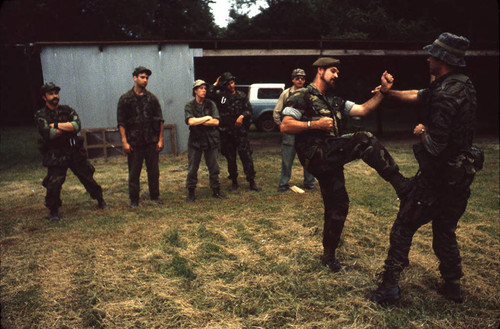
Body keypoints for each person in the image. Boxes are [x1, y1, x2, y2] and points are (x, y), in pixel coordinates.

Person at [370, 33, 483, 304]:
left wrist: (422, 132)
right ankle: (453, 285)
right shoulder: (461, 85)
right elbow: (420, 95)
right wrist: (388, 93)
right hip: (460, 175)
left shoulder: (445, 95)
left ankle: (389, 288)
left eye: (433, 54)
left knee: (403, 226)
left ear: (443, 60)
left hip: (439, 177)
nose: (428, 57)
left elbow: (435, 147)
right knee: (445, 230)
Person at [281, 57, 411, 272]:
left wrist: (383, 92)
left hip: (331, 157)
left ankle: (329, 257)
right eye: (332, 71)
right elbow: (286, 125)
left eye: (338, 72)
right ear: (320, 70)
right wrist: (314, 124)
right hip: (316, 154)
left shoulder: (334, 100)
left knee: (338, 205)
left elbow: (363, 110)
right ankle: (401, 184)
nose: (336, 75)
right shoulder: (302, 95)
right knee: (363, 139)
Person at [35, 82, 109, 222]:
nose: (55, 96)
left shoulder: (67, 110)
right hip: (55, 154)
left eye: (56, 93)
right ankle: (53, 210)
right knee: (54, 183)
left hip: (74, 151)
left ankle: (100, 200)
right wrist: (65, 128)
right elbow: (49, 134)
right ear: (44, 97)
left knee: (87, 177)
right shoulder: (41, 115)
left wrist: (56, 125)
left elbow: (76, 126)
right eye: (51, 94)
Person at [117, 66, 164, 207]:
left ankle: (154, 196)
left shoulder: (152, 99)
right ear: (135, 78)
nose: (145, 80)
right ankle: (134, 199)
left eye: (147, 78)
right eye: (142, 77)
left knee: (153, 171)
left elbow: (160, 120)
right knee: (134, 172)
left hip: (151, 141)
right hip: (134, 143)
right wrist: (124, 142)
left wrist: (160, 139)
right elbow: (121, 122)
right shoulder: (125, 99)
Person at [207, 72, 261, 192]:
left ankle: (251, 181)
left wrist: (242, 116)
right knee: (230, 158)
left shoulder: (241, 95)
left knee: (246, 157)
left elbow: (249, 110)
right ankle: (234, 181)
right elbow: (208, 95)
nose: (231, 86)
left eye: (232, 83)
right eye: (228, 84)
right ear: (224, 85)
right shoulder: (222, 96)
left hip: (240, 133)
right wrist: (215, 84)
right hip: (227, 133)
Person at [273, 68, 316, 192]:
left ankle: (310, 183)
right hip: (290, 133)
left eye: (302, 78)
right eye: (297, 78)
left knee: (308, 158)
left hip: (305, 131)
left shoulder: (309, 94)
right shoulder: (286, 93)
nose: (300, 80)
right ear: (293, 80)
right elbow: (277, 111)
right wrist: (282, 126)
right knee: (287, 160)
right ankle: (283, 184)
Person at [184, 79, 225, 202]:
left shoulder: (211, 104)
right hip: (195, 140)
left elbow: (216, 122)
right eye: (201, 88)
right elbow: (190, 121)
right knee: (192, 168)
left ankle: (216, 190)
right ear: (195, 91)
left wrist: (199, 120)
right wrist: (207, 117)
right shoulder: (189, 105)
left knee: (214, 167)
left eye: (205, 88)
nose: (203, 91)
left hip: (211, 139)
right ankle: (191, 192)